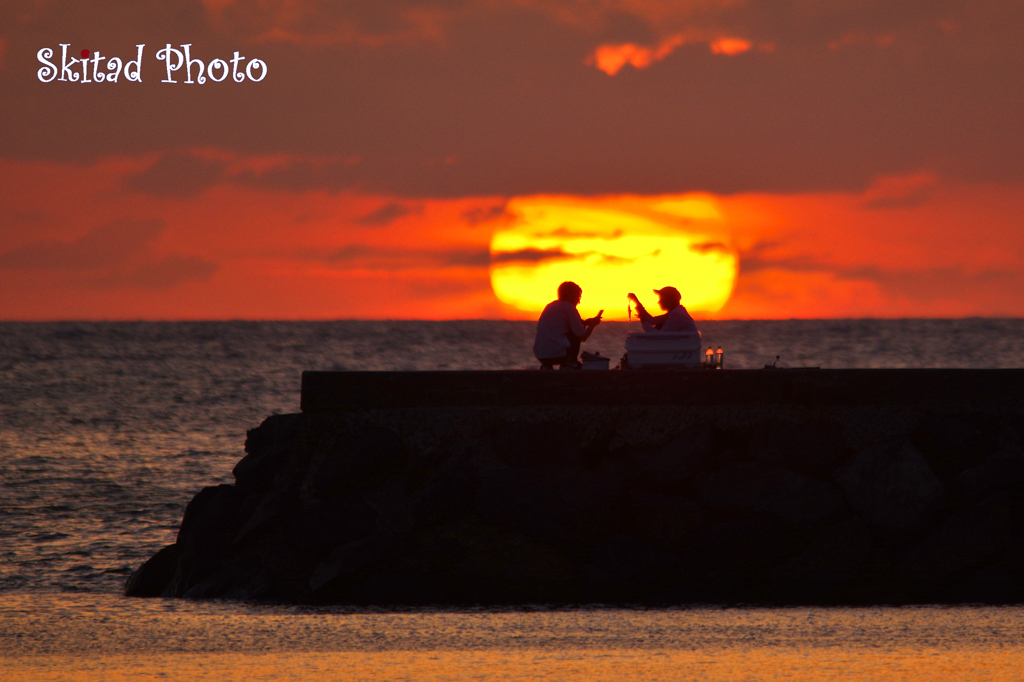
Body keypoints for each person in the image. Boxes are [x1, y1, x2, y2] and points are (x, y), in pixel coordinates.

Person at [533, 281, 602, 369]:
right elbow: (582, 336)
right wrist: (592, 325)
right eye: (578, 297)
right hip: (558, 354)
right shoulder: (569, 307)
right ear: (572, 296)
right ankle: (571, 362)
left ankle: (546, 366)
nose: (579, 301)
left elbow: (560, 324)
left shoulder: (550, 306)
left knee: (577, 326)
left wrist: (584, 322)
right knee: (577, 331)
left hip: (540, 354)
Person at [627, 286, 698, 333]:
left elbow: (659, 336)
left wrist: (644, 321)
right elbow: (651, 320)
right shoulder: (677, 312)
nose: (658, 302)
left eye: (661, 298)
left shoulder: (677, 314)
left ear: (669, 300)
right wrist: (636, 302)